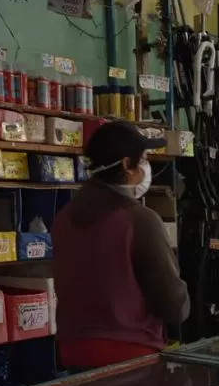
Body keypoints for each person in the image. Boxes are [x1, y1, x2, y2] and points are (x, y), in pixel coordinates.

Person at [53, 121, 190, 371]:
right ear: (127, 165)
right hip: (128, 354)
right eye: (145, 159)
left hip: (72, 351)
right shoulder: (139, 219)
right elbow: (172, 302)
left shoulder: (64, 217)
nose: (148, 167)